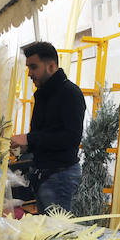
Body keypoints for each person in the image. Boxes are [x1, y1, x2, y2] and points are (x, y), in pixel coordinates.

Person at [10, 41, 85, 213]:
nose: (29, 74)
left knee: (57, 235)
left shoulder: (70, 93)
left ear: (51, 66)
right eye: (28, 67)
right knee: (47, 232)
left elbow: (71, 138)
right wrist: (22, 145)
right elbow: (45, 133)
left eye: (33, 67)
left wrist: (29, 138)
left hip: (60, 177)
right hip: (44, 176)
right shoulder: (43, 94)